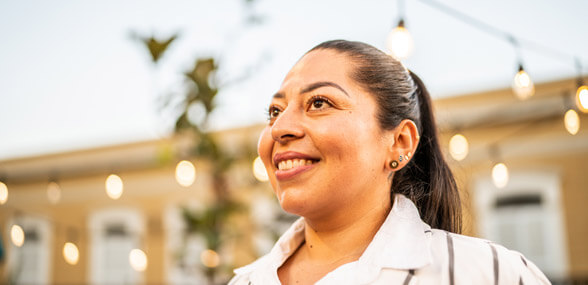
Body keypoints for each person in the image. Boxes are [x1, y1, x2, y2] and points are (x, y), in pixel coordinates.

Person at [229, 40, 550, 284]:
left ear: (399, 143)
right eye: (274, 112)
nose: (280, 128)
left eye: (319, 103)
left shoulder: (491, 274)